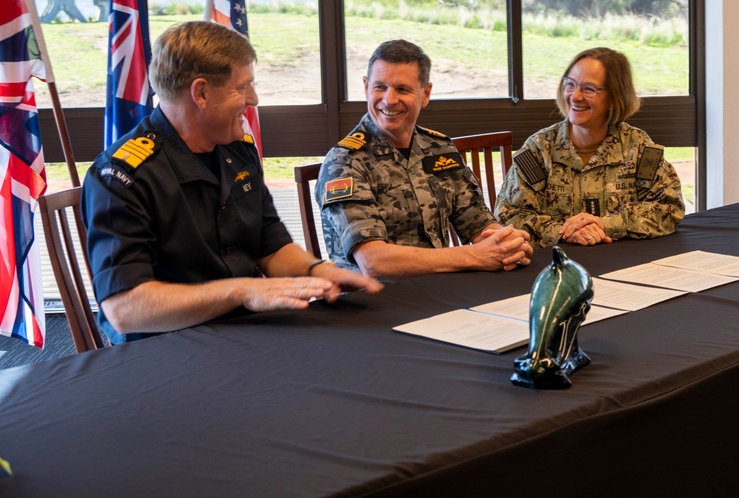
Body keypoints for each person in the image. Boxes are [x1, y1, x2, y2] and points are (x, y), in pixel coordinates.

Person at [82, 21, 382, 344]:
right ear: (201, 93)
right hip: (164, 348)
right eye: (242, 87)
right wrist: (244, 290)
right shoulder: (121, 176)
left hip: (245, 332)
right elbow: (125, 310)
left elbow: (271, 246)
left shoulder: (237, 149)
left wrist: (317, 272)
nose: (253, 99)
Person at [316, 39, 533, 279]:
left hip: (440, 288)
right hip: (375, 300)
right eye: (380, 87)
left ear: (425, 94)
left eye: (402, 89)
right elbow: (373, 261)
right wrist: (475, 256)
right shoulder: (345, 162)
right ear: (366, 87)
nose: (389, 100)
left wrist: (504, 242)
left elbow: (477, 223)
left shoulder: (439, 149)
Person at [494, 47, 685, 248]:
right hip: (557, 268)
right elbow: (509, 216)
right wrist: (565, 232)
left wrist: (605, 225)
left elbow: (669, 209)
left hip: (623, 264)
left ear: (614, 97)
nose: (575, 97)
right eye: (570, 84)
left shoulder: (638, 146)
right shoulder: (540, 149)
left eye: (588, 89)